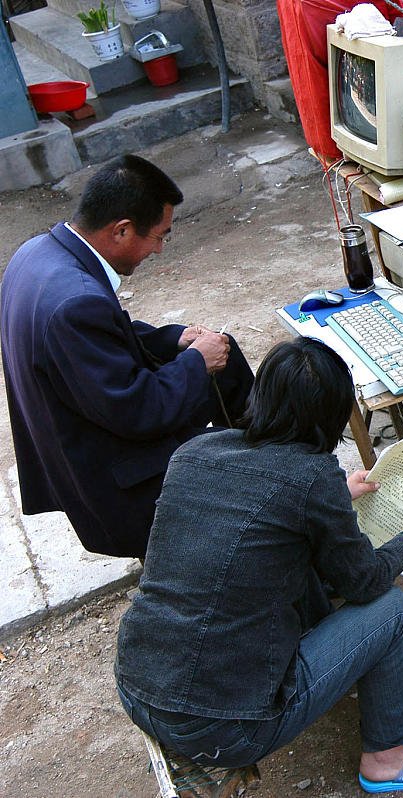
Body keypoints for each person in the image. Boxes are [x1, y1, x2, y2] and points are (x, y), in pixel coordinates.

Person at [114, 337, 403, 793]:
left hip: (138, 684)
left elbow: (256, 511)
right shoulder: (312, 476)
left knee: (286, 565)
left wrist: (337, 494)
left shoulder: (196, 452)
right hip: (225, 729)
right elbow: (366, 582)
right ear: (332, 417)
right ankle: (388, 757)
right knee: (392, 610)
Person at [0, 153, 254, 558]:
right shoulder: (75, 304)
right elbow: (139, 411)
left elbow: (105, 337)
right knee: (212, 371)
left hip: (90, 429)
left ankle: (271, 455)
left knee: (225, 355)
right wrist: (194, 362)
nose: (159, 249)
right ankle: (269, 481)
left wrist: (176, 340)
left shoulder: (37, 254)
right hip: (117, 483)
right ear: (121, 230)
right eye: (159, 236)